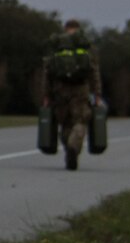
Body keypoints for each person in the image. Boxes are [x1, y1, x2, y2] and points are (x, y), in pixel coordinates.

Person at [41, 19, 102, 169]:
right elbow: (94, 72)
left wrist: (46, 95)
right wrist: (97, 93)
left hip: (60, 90)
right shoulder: (85, 45)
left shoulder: (57, 45)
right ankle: (73, 148)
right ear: (78, 28)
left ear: (65, 28)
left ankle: (69, 148)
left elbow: (47, 72)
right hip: (80, 90)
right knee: (80, 121)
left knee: (65, 122)